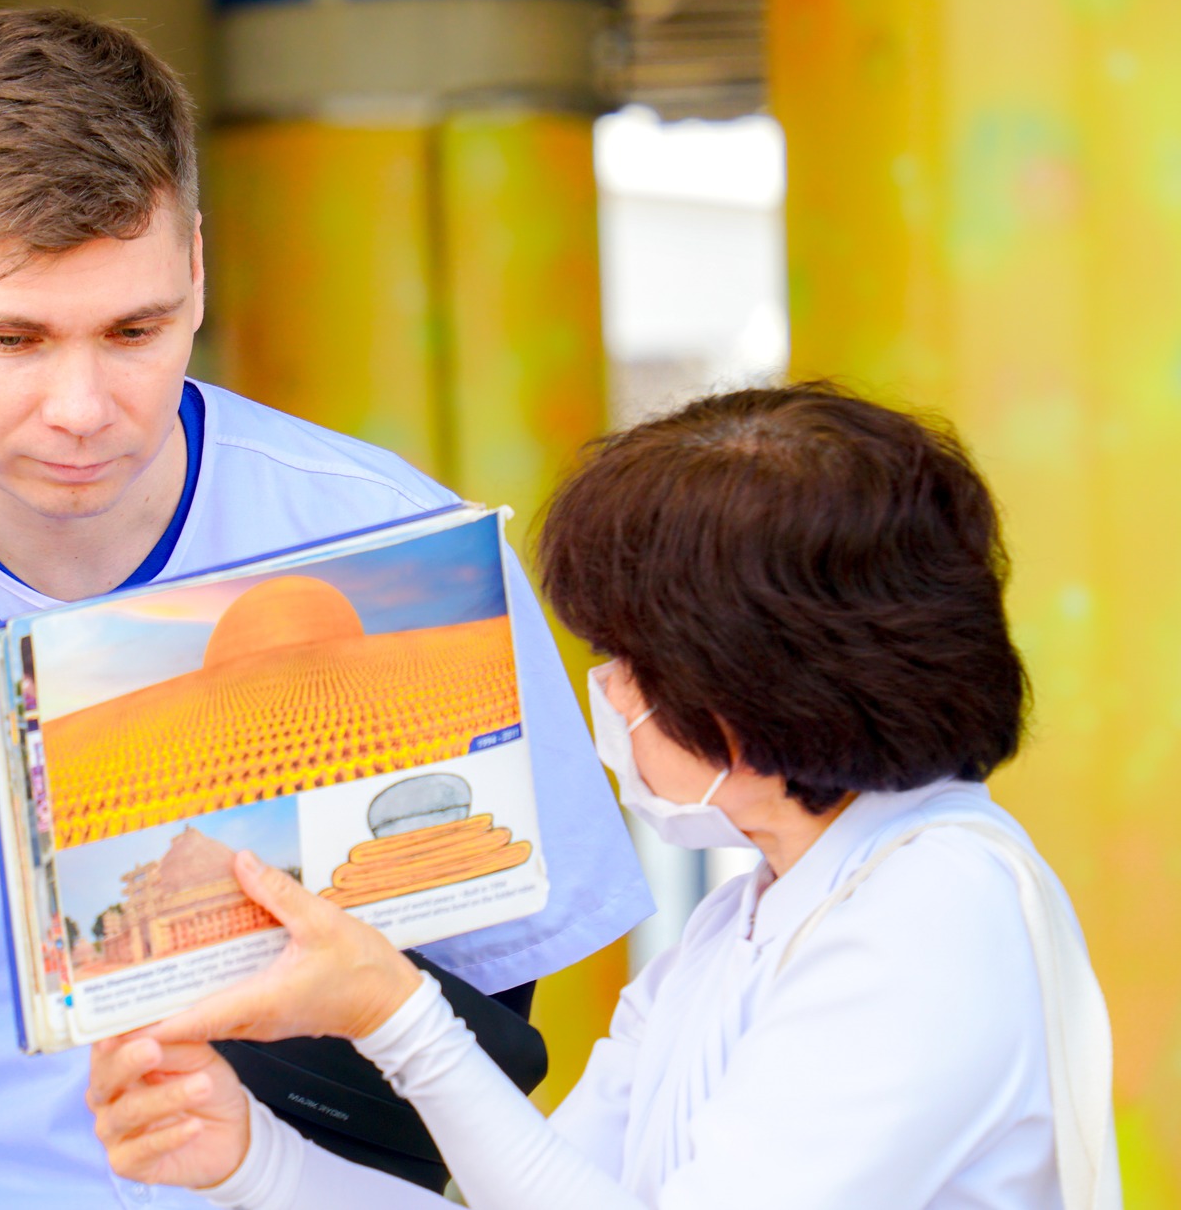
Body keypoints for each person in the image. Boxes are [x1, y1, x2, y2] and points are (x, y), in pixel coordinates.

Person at [0, 6, 652, 1209]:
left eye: (132, 330)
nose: (79, 406)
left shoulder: (396, 550)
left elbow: (503, 1008)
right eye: (12, 339)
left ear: (195, 266)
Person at [89, 383, 1121, 1210]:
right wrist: (246, 1160)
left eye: (626, 657)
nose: (606, 692)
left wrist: (397, 1014)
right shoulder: (746, 917)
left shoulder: (935, 912)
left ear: (749, 689)